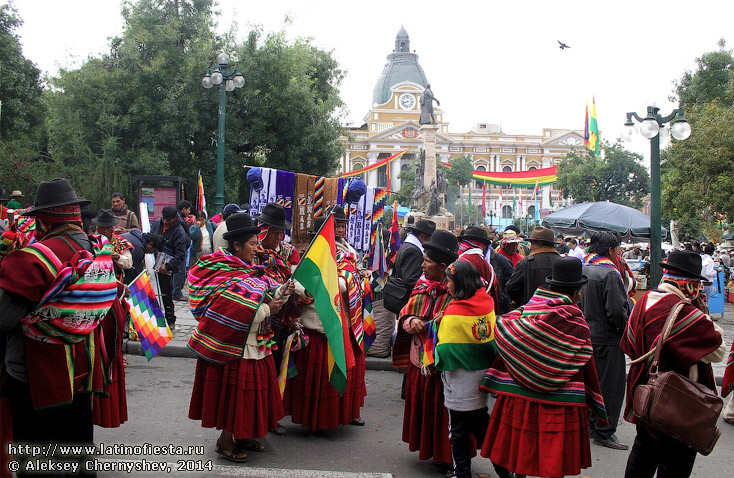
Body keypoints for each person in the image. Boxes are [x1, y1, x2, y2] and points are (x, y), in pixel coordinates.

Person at [0, 178, 118, 477]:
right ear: (76, 215)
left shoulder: (33, 260)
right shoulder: (99, 251)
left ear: (43, 219)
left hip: (35, 375)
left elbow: (3, 317)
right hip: (83, 369)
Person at [480, 257, 607, 478]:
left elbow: (502, 326)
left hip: (521, 397)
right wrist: (593, 399)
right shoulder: (576, 323)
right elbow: (588, 366)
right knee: (553, 457)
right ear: (577, 293)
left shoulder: (526, 312)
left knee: (521, 448)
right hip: (560, 401)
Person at [187, 212, 293, 463]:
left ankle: (244, 435)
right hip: (234, 345)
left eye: (257, 243)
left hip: (255, 342)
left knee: (255, 393)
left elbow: (260, 293)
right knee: (239, 396)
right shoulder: (220, 271)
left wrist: (284, 290)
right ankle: (225, 441)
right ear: (237, 245)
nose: (257, 249)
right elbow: (231, 308)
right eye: (253, 244)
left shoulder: (249, 270)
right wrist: (269, 309)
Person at [621, 250, 725, 477]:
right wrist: (707, 320)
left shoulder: (643, 301)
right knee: (676, 463)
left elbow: (628, 344)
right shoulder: (687, 314)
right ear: (690, 284)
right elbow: (717, 351)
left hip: (645, 396)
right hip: (677, 402)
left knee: (642, 458)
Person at [435, 260, 511, 478]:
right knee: (483, 428)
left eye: (449, 281)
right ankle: (504, 472)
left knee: (458, 432)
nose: (447, 286)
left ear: (459, 282)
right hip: (481, 379)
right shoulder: (487, 303)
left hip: (459, 381)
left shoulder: (454, 310)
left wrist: (437, 325)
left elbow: (446, 348)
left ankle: (463, 474)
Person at [395, 230, 458, 470]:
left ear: (443, 267)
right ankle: (429, 448)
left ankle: (447, 455)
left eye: (427, 262)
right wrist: (411, 322)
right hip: (420, 360)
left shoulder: (458, 293)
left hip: (444, 363)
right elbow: (405, 314)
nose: (422, 266)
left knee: (444, 411)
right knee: (425, 407)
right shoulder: (422, 287)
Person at [579, 231, 629, 450]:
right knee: (610, 388)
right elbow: (617, 311)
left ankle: (593, 425)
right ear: (610, 250)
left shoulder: (584, 268)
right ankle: (604, 431)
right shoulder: (610, 274)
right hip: (608, 339)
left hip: (588, 336)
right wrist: (624, 329)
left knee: (593, 385)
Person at [504, 226, 560, 309]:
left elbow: (511, 287)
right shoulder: (562, 262)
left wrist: (518, 299)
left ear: (539, 244)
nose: (530, 247)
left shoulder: (526, 263)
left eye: (532, 244)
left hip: (531, 313)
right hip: (558, 312)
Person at [150, 205, 187, 330]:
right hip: (153, 261)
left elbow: (180, 254)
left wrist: (168, 266)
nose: (165, 222)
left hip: (167, 265)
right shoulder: (156, 224)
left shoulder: (179, 232)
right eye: (164, 219)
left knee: (166, 294)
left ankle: (170, 319)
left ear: (174, 218)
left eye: (168, 220)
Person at [92, 209, 134, 281]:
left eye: (108, 227)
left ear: (112, 228)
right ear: (98, 229)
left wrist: (118, 257)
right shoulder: (92, 242)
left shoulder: (121, 242)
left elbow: (128, 263)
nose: (105, 230)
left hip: (116, 282)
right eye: (102, 227)